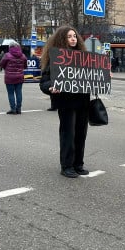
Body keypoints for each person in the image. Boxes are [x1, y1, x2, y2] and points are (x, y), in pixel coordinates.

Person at [39, 26, 91, 178]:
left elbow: (92, 77)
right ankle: (67, 166)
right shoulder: (55, 58)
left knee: (81, 134)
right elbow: (44, 83)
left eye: (75, 36)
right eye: (69, 36)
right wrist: (51, 87)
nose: (73, 39)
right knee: (68, 134)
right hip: (66, 103)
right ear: (62, 39)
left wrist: (104, 76)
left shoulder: (84, 58)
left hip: (82, 101)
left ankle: (78, 164)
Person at [0, 42, 26, 114]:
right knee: (19, 92)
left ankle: (13, 109)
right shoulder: (23, 56)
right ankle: (19, 109)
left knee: (11, 93)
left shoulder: (7, 55)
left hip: (9, 77)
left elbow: (1, 64)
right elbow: (25, 66)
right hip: (20, 77)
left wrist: (6, 68)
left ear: (10, 47)